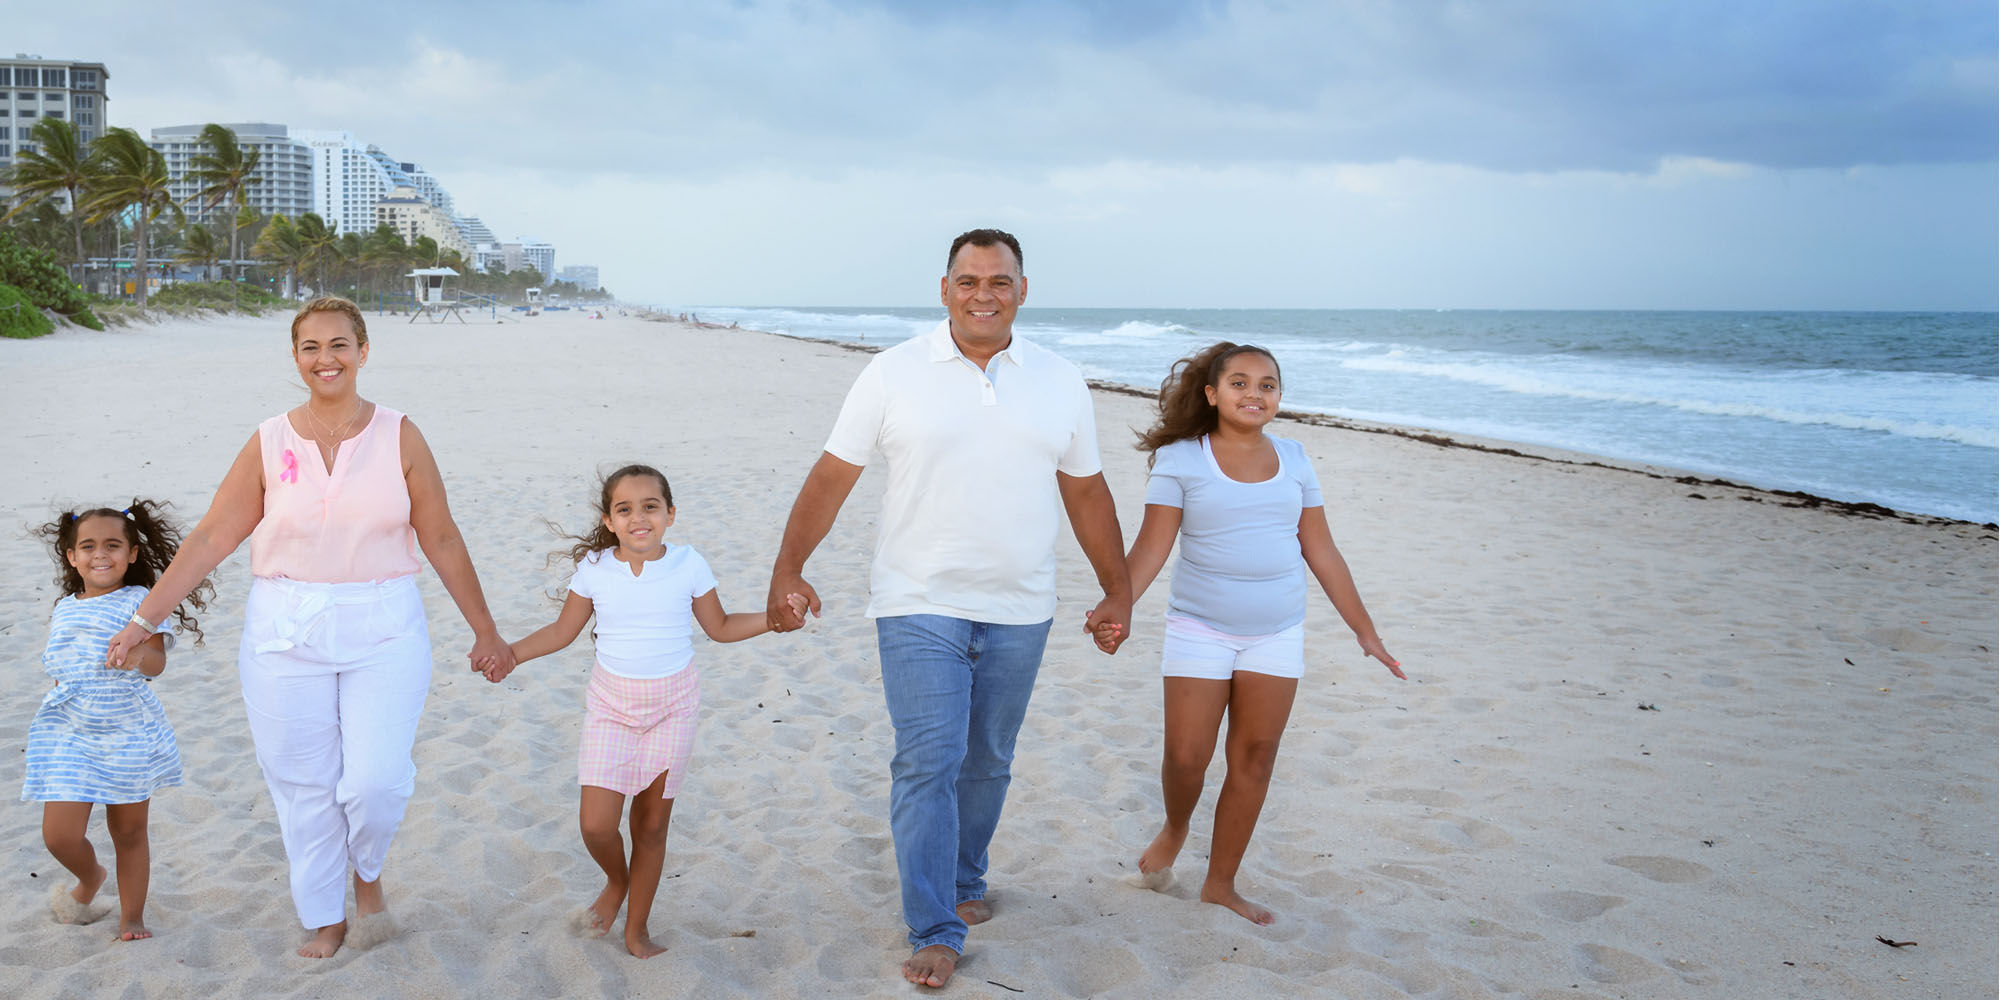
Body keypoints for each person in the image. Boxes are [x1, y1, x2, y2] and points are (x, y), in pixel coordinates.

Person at [765, 228, 1133, 988]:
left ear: (1023, 291)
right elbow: (833, 476)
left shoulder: (1061, 379)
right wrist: (788, 568)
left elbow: (1087, 492)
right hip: (917, 598)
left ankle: (966, 879)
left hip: (1022, 605)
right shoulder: (891, 372)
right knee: (928, 758)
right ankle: (934, 925)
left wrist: (1117, 586)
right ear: (944, 290)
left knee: (987, 762)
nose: (984, 294)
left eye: (999, 281)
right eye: (968, 281)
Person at [104, 296, 516, 959]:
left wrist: (486, 631)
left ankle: (369, 875)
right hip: (283, 630)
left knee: (375, 784)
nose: (326, 359)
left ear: (363, 350)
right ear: (295, 357)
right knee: (304, 786)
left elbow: (439, 535)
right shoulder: (270, 439)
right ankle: (326, 915)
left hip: (383, 624)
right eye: (310, 348)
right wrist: (142, 619)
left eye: (339, 345)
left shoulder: (399, 433)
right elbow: (212, 537)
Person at [1097, 342, 1403, 926]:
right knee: (1187, 758)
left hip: (1277, 631)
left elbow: (1322, 549)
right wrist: (1119, 605)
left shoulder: (1295, 456)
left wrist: (1365, 631)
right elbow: (1153, 546)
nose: (1254, 394)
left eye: (1267, 385)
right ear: (1212, 394)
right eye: (1239, 383)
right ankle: (1176, 826)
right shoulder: (1182, 458)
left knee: (1255, 757)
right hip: (1200, 628)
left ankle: (1220, 883)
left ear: (1279, 398)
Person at [503, 464, 806, 959]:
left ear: (670, 515)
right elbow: (562, 632)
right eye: (625, 509)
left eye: (650, 507)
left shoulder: (688, 564)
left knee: (650, 826)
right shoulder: (595, 571)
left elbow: (722, 626)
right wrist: (510, 653)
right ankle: (616, 881)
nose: (638, 517)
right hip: (611, 707)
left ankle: (637, 929)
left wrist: (774, 622)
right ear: (609, 520)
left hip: (673, 706)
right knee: (597, 825)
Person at [25, 501, 214, 942]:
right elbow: (63, 666)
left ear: (131, 553)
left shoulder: (142, 603)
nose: (100, 554)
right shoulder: (65, 607)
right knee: (58, 836)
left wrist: (137, 656)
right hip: (71, 733)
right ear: (72, 557)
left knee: (128, 831)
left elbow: (156, 665)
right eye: (88, 546)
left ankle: (132, 918)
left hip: (126, 730)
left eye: (113, 545)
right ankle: (90, 878)